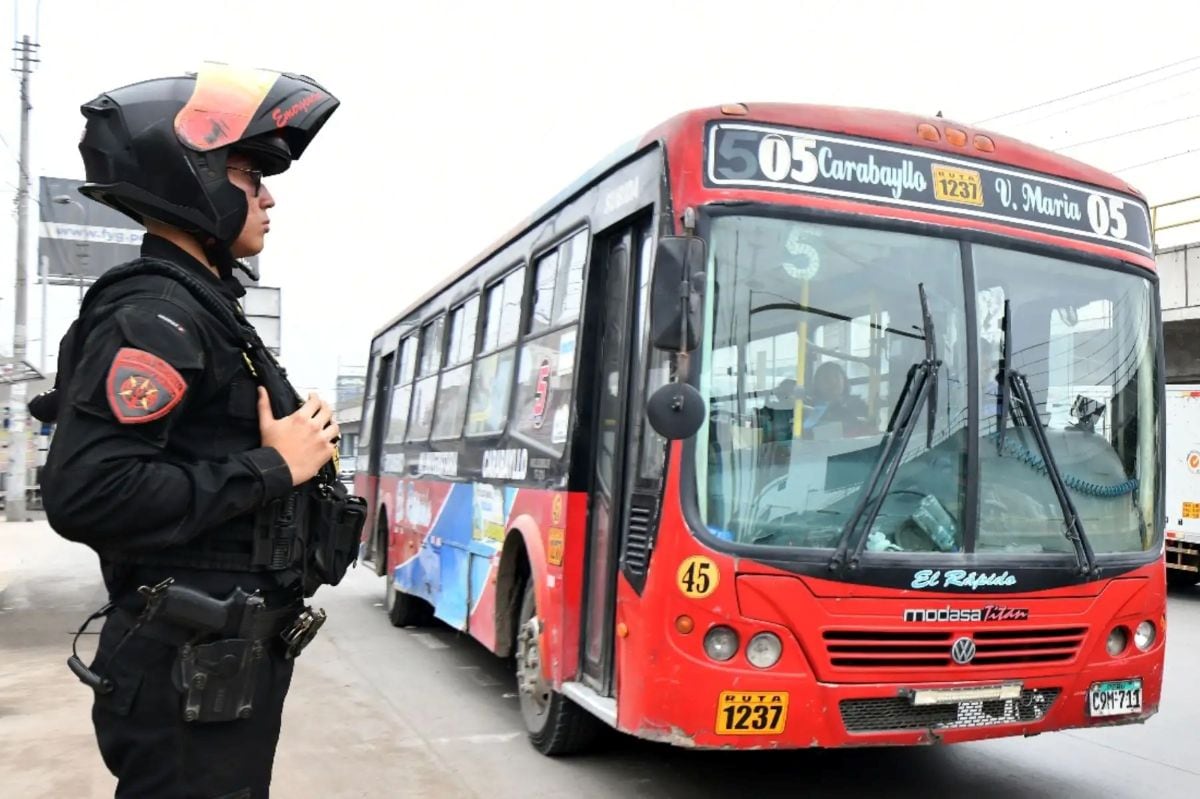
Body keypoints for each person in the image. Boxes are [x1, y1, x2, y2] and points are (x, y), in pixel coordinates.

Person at [37, 62, 353, 798]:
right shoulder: (154, 316)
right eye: (249, 175)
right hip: (185, 668)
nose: (268, 197)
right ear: (195, 179)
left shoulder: (201, 308)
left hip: (215, 665)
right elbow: (89, 491)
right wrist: (274, 468)